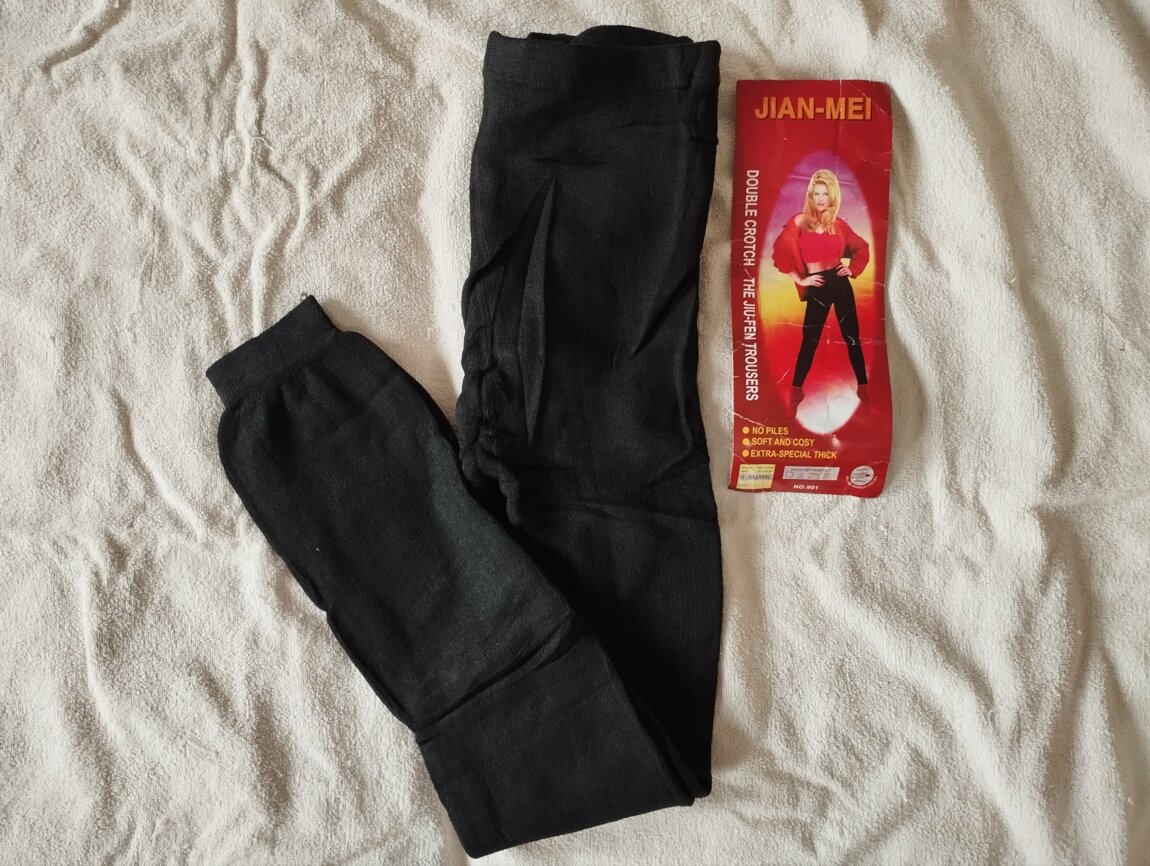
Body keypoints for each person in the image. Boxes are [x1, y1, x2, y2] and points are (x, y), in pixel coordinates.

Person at [771, 169, 870, 417]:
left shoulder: (838, 226)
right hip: (818, 285)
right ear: (810, 196)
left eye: (825, 194)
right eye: (816, 194)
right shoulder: (799, 222)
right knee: (810, 341)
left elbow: (862, 247)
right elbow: (780, 252)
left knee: (852, 338)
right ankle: (796, 393)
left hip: (840, 282)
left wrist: (852, 268)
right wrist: (801, 279)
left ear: (832, 196)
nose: (821, 199)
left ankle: (865, 391)